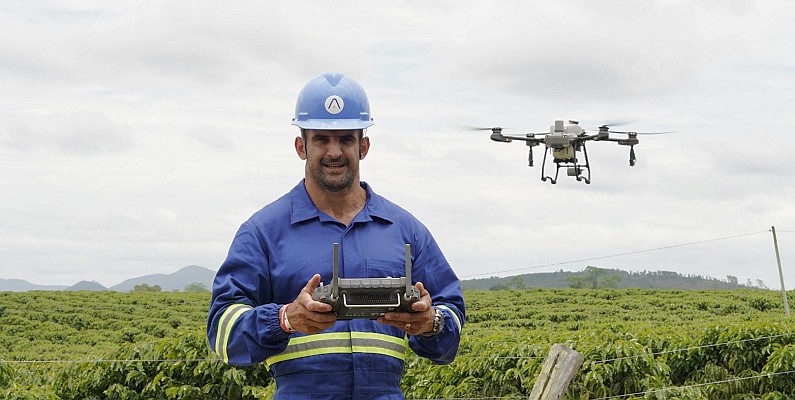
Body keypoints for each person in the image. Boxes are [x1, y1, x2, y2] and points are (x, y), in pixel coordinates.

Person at [207, 72, 466, 399]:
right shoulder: (262, 233)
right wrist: (286, 319)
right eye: (321, 139)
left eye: (345, 139)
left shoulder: (406, 230)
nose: (334, 152)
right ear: (301, 146)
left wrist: (431, 323)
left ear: (364, 146)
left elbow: (451, 314)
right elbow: (223, 333)